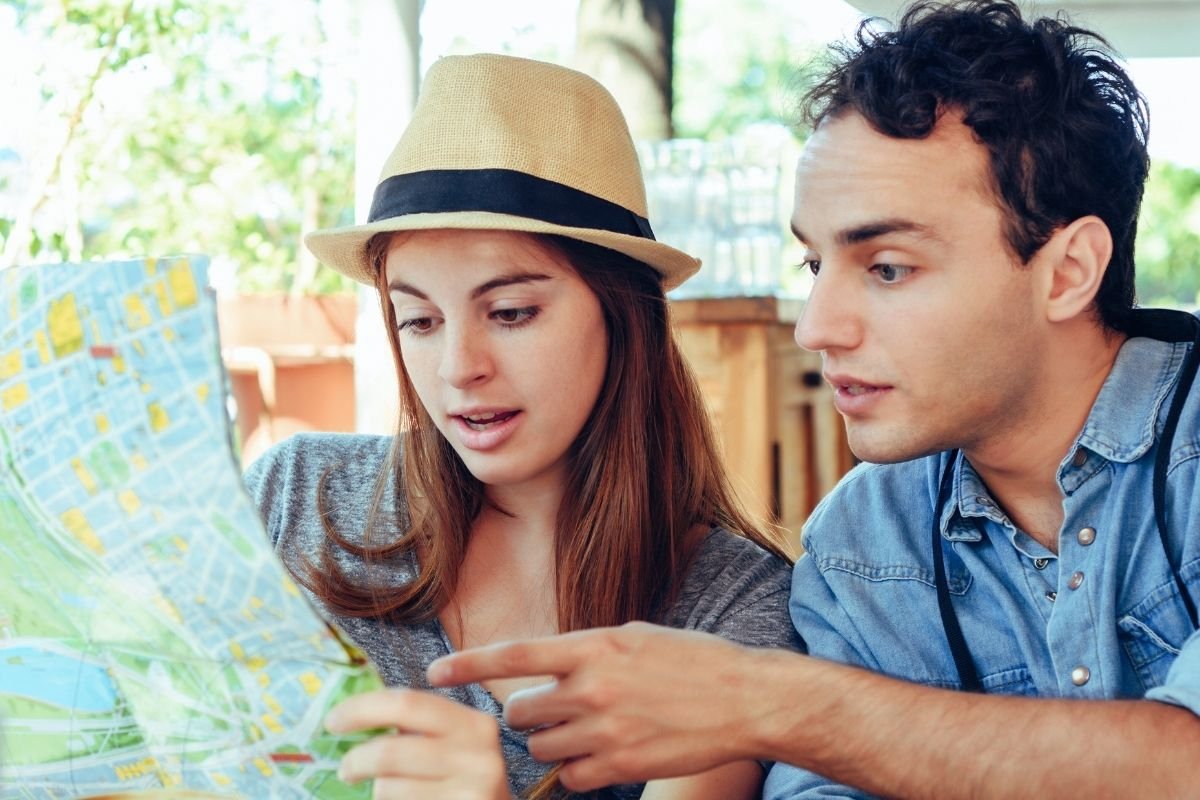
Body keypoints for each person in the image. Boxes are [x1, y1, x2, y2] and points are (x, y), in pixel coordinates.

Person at [427, 2, 1200, 796]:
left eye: (888, 267)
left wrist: (774, 701)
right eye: (813, 266)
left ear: (1068, 271)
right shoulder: (864, 544)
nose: (817, 327)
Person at [242, 52, 801, 800]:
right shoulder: (295, 497)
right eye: (418, 320)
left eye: (509, 313)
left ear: (624, 314)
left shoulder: (730, 610)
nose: (456, 368)